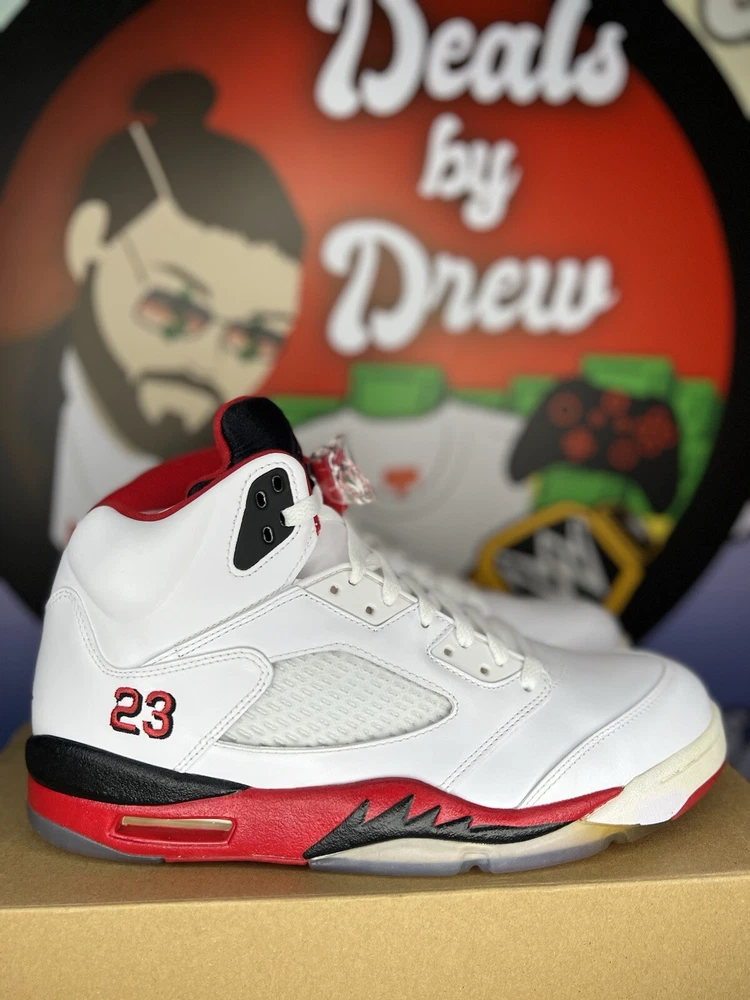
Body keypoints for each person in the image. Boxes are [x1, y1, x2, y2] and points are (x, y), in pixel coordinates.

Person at [0, 70, 305, 612]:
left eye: (252, 338)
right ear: (90, 240)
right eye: (174, 309)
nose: (206, 361)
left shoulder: (244, 472)